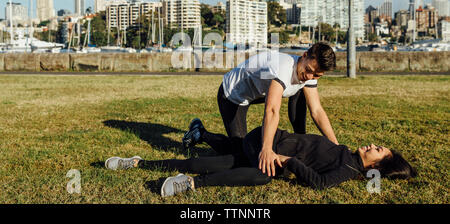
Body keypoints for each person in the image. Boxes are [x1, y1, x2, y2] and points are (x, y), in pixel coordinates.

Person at [105, 121, 417, 198]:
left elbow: (320, 185)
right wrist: (281, 157)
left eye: (379, 150)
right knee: (262, 175)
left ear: (375, 166)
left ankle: (137, 163)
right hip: (264, 144)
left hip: (269, 151)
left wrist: (287, 160)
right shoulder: (345, 153)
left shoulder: (346, 170)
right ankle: (191, 184)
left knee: (214, 162)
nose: (374, 144)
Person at [183, 42, 338, 177]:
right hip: (233, 94)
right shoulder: (283, 68)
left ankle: (300, 139)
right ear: (304, 55)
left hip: (258, 92)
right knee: (243, 154)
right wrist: (266, 149)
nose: (310, 77)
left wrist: (336, 148)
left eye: (317, 75)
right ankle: (200, 133)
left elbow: (317, 110)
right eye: (309, 70)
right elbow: (271, 110)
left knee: (301, 93)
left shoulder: (308, 74)